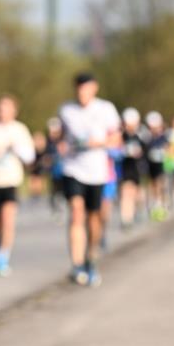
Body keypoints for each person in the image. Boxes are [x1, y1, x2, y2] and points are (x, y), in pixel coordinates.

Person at [57, 73, 121, 287]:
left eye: (86, 89)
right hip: (73, 169)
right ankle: (76, 264)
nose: (82, 93)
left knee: (94, 218)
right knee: (76, 212)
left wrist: (99, 142)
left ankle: (90, 259)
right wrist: (60, 144)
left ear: (94, 88)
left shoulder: (106, 109)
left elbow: (116, 138)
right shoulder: (66, 110)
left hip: (97, 171)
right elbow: (60, 136)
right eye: (79, 89)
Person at [0, 95, 35, 276]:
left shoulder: (19, 129)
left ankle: (3, 256)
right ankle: (0, 240)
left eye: (6, 108)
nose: (2, 112)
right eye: (0, 108)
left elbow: (30, 156)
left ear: (14, 111)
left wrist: (15, 147)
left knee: (8, 218)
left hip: (10, 181)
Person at [118, 108, 149, 228]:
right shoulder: (121, 136)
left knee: (137, 194)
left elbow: (146, 152)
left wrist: (139, 153)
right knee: (126, 192)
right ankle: (126, 218)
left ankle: (137, 212)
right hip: (125, 169)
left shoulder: (141, 136)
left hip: (138, 169)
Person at [143, 111, 170, 221]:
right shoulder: (146, 137)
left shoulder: (164, 136)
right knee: (152, 184)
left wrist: (165, 152)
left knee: (160, 183)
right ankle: (153, 203)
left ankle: (161, 203)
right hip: (149, 165)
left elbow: (169, 148)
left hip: (161, 165)